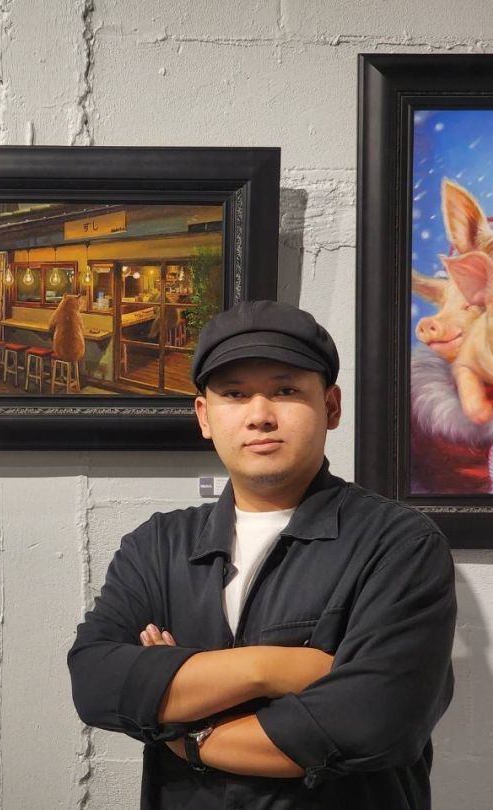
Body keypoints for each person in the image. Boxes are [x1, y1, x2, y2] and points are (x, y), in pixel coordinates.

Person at [68, 300, 456, 809]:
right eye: (234, 394)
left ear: (331, 407)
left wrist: (187, 730)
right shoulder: (158, 546)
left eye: (285, 391)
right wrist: (273, 669)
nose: (259, 416)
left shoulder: (399, 544)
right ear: (205, 416)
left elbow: (374, 720)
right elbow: (96, 682)